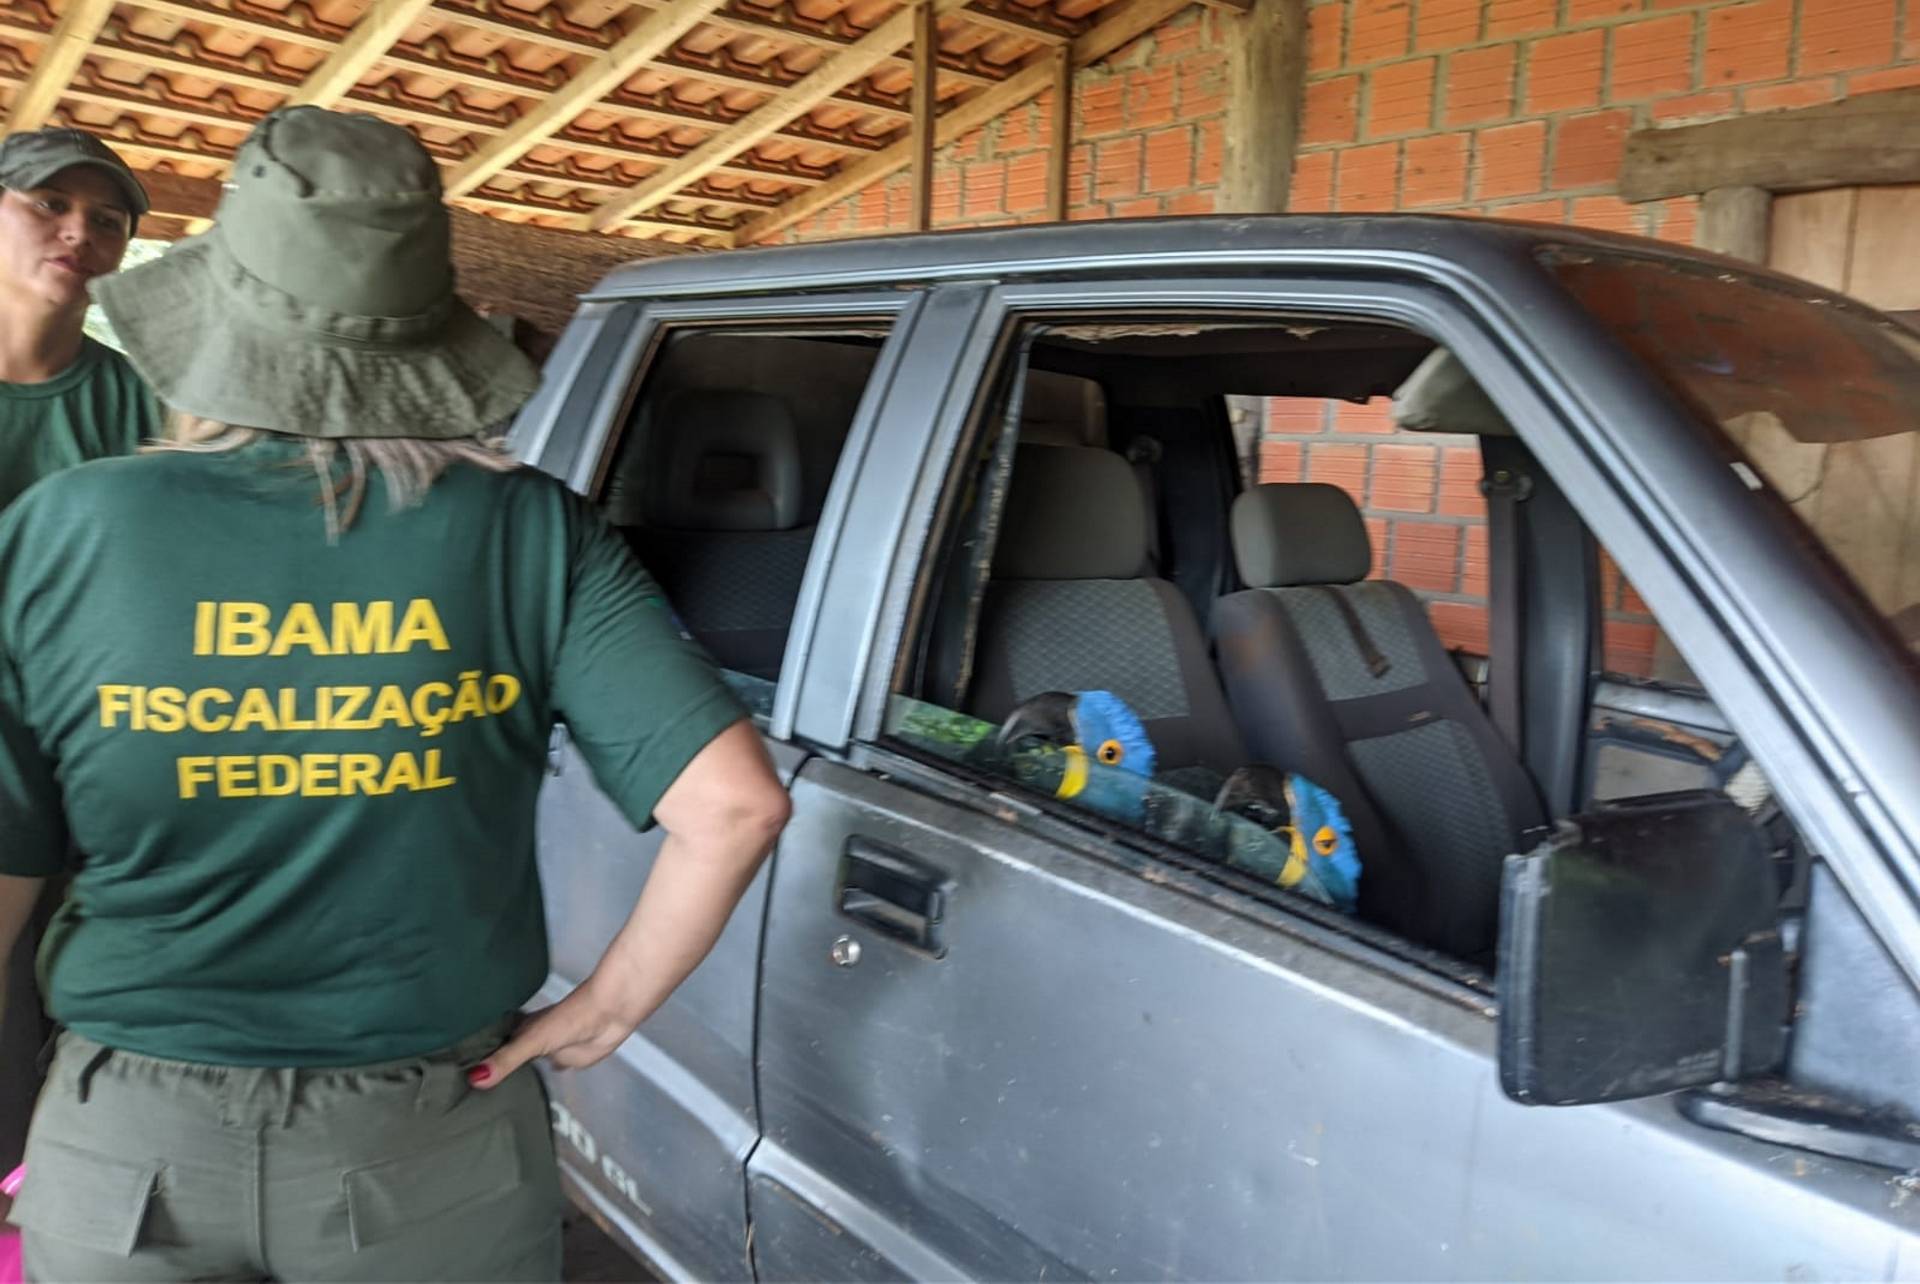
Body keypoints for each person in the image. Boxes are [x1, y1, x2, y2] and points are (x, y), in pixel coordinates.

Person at [0, 106, 791, 1282]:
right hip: (432, 1145)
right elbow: (735, 809)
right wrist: (611, 1006)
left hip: (131, 1143)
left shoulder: (66, 526)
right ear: (428, 336)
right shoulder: (531, 531)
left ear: (218, 321)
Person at [0, 126, 158, 1189]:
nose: (77, 231)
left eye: (106, 219)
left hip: (74, 767)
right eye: (48, 204)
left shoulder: (141, 409)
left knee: (52, 1001)